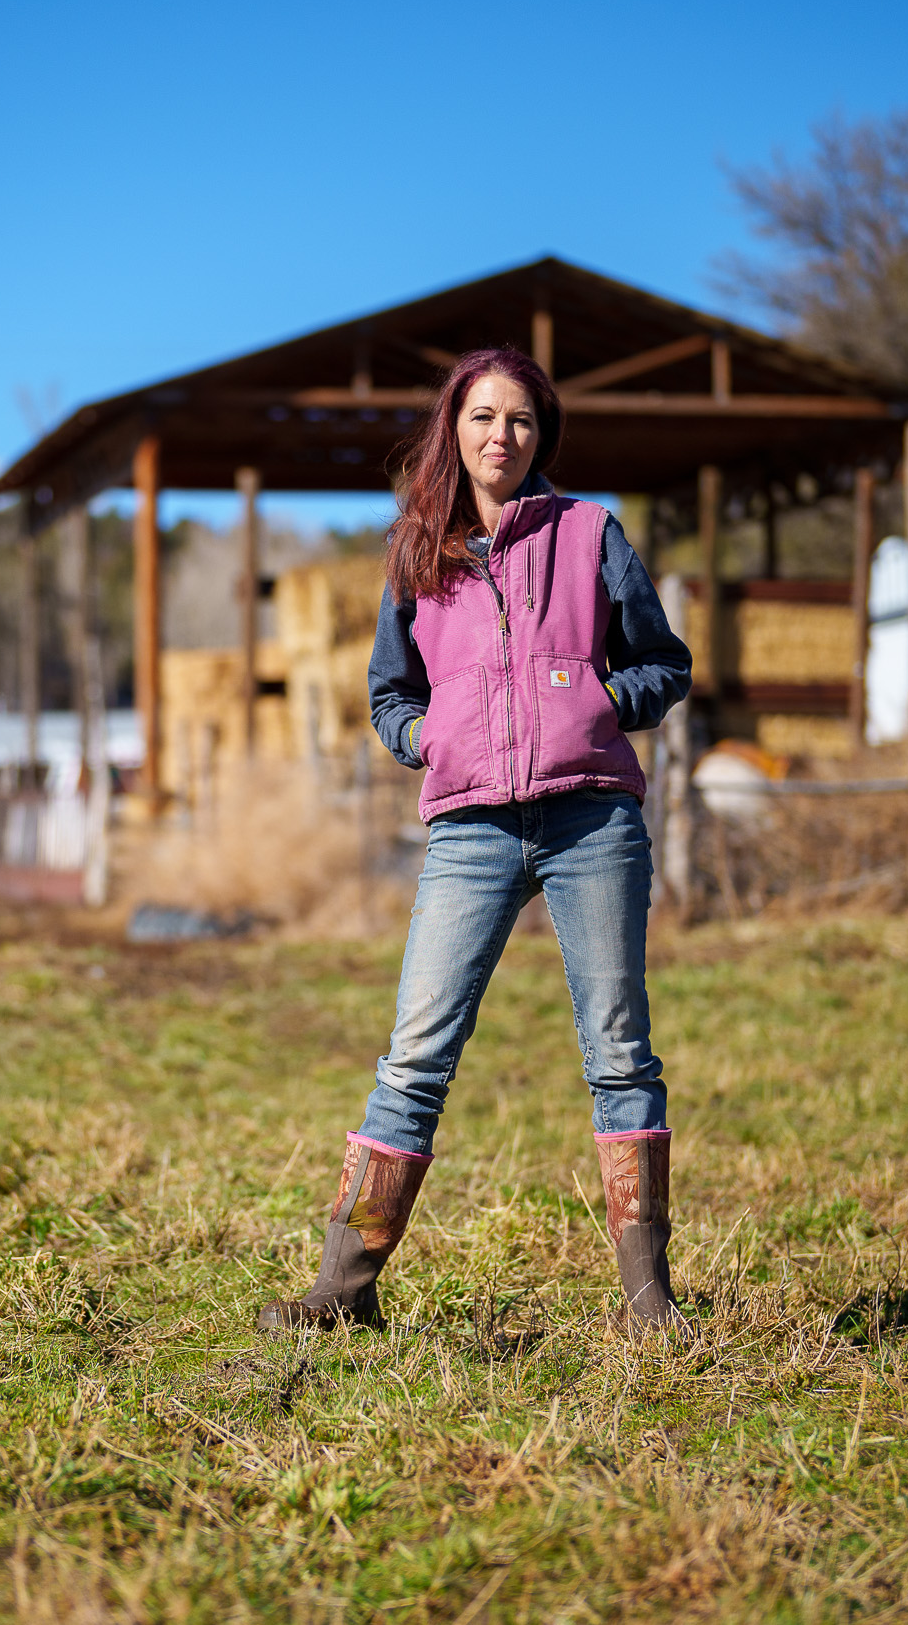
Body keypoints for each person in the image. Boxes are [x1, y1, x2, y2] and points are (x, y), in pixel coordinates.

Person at [259, 346, 694, 1335]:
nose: (504, 436)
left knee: (620, 1052)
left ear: (542, 437)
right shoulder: (419, 550)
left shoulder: (589, 534)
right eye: (484, 418)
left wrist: (590, 702)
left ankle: (646, 1302)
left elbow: (662, 666)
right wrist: (431, 736)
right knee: (415, 1052)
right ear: (453, 429)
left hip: (590, 820)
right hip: (469, 830)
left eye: (523, 422)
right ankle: (344, 1291)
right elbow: (388, 694)